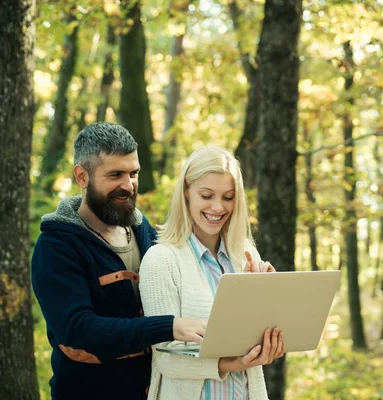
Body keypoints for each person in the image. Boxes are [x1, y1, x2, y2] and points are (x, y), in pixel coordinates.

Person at [31, 122, 207, 400]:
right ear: (82, 176)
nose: (128, 185)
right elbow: (78, 330)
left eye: (133, 173)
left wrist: (247, 271)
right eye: (115, 174)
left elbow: (194, 272)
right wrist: (169, 326)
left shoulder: (144, 231)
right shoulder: (56, 247)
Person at [139, 146, 284, 400]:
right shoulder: (160, 260)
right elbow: (167, 360)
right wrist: (233, 363)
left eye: (228, 197)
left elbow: (250, 337)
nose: (218, 207)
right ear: (186, 192)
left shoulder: (246, 256)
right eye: (207, 195)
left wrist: (266, 304)